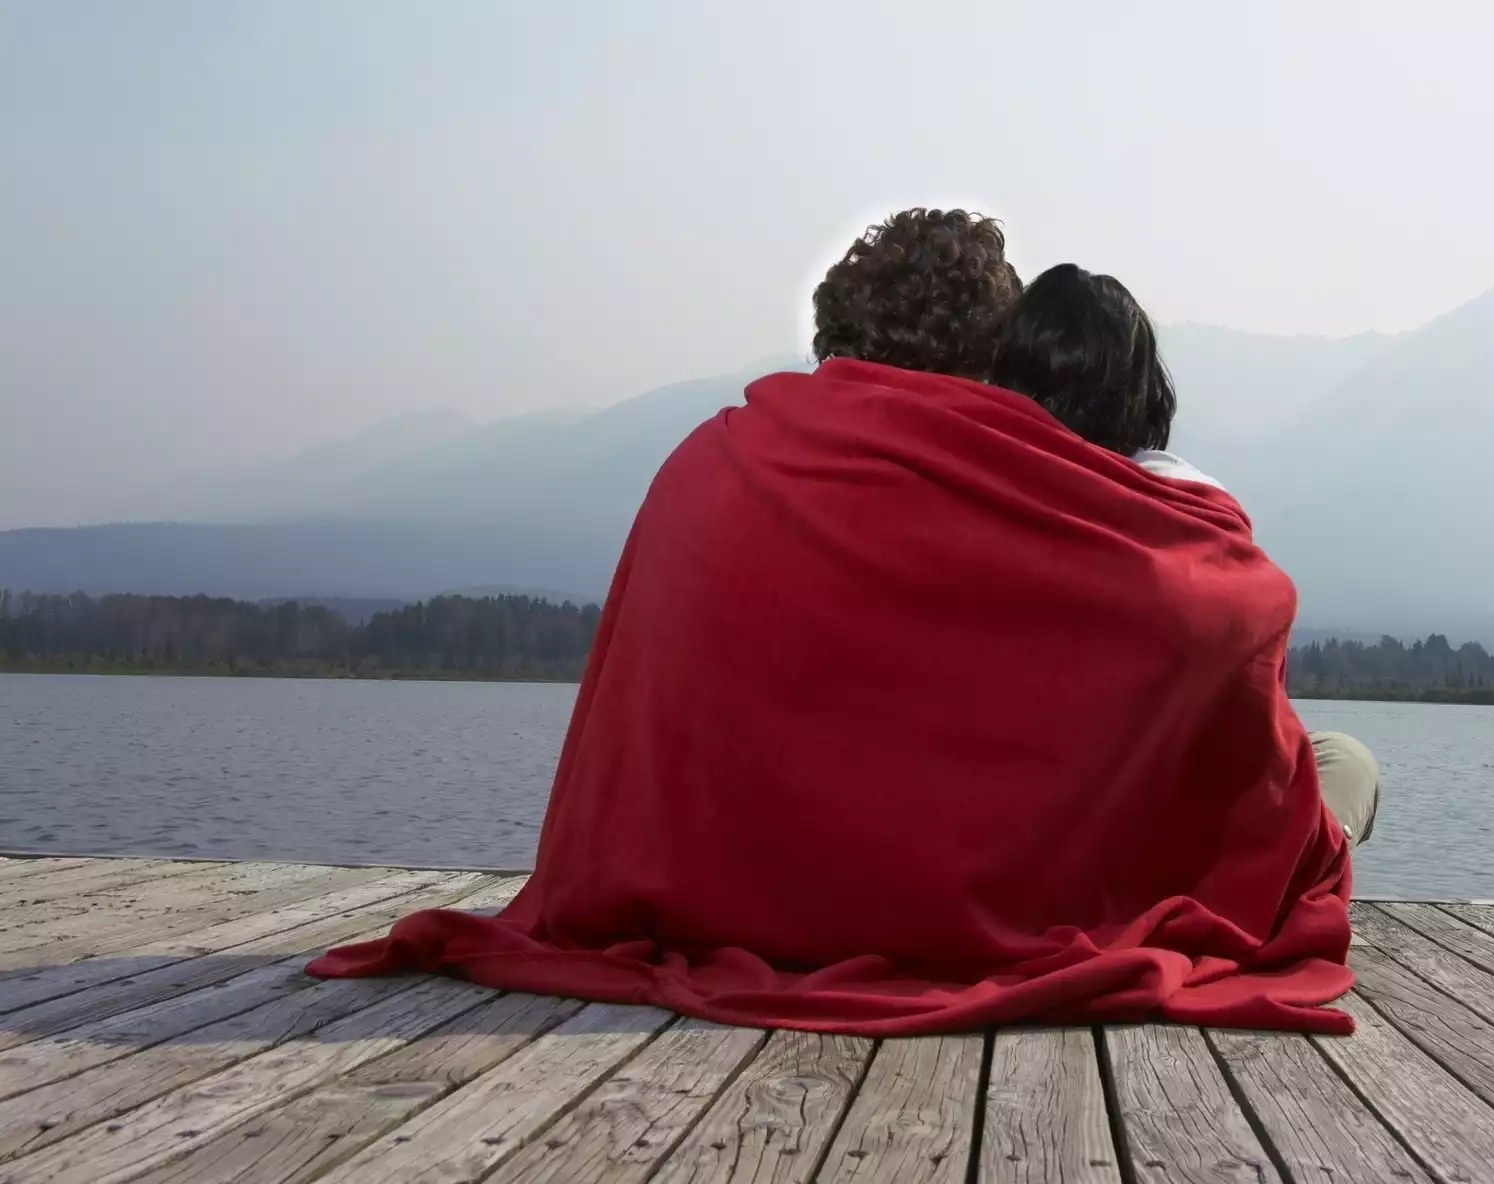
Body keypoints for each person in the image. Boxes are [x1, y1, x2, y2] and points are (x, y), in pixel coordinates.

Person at [308, 208, 1362, 1035]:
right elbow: (1235, 608)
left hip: (701, 906)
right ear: (989, 361)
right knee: (1335, 766)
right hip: (965, 905)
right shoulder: (1033, 504)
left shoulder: (711, 460)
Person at [990, 262, 1381, 849]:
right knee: (1347, 760)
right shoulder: (1201, 522)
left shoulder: (977, 493)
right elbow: (1256, 730)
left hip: (1020, 823)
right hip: (1156, 842)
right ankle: (1309, 871)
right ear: (1142, 390)